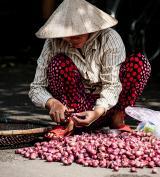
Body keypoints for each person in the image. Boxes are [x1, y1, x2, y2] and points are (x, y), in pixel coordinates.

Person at [29, 0, 151, 139]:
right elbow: (36, 87)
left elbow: (112, 84)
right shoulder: (53, 43)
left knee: (140, 62)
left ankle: (117, 119)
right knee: (58, 63)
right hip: (75, 109)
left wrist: (98, 111)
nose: (73, 36)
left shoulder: (109, 38)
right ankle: (68, 123)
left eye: (79, 30)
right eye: (68, 32)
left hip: (108, 107)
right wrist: (52, 103)